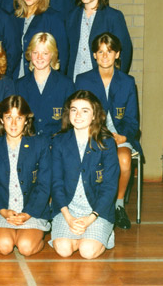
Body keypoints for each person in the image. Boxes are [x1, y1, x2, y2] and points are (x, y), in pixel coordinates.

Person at [75, 32, 141, 230]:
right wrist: (97, 134)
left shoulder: (127, 82)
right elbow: (77, 115)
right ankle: (93, 205)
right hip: (92, 135)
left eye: (110, 51)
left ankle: (118, 206)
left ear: (117, 54)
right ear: (94, 55)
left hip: (119, 136)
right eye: (100, 51)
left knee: (124, 160)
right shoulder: (83, 80)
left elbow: (132, 120)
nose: (105, 56)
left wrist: (123, 136)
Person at [50, 90, 120, 259]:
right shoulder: (59, 142)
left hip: (97, 212)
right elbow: (56, 183)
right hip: (68, 211)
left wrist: (90, 219)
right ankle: (80, 238)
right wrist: (68, 217)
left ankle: (102, 235)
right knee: (63, 250)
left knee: (87, 251)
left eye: (85, 110)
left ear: (94, 115)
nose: (78, 115)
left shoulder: (106, 142)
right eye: (74, 110)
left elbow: (110, 186)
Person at [0, 95, 51, 257]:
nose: (13, 124)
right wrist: (3, 211)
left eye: (19, 118)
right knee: (5, 246)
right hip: (2, 211)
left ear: (27, 120)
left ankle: (30, 236)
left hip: (32, 211)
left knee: (25, 247)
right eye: (9, 117)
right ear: (1, 119)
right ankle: (9, 235)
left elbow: (44, 185)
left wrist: (27, 214)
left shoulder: (40, 144)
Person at [67, 0, 133, 80]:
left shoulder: (113, 17)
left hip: (102, 79)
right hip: (75, 78)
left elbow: (125, 51)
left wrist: (117, 80)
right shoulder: (71, 16)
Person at [15, 32, 75, 137]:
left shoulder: (66, 84)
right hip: (28, 142)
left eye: (45, 53)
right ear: (30, 54)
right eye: (35, 52)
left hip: (56, 142)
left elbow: (70, 123)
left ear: (52, 55)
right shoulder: (19, 85)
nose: (39, 57)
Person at [12, 0, 68, 78]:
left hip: (42, 78)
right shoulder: (13, 17)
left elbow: (62, 55)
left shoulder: (53, 18)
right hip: (16, 79)